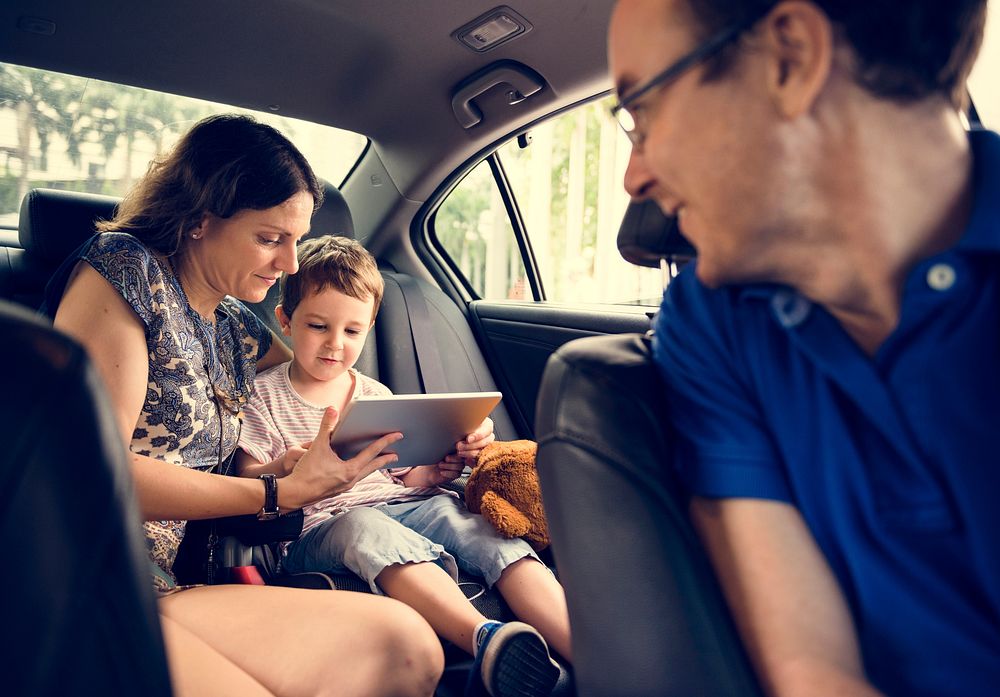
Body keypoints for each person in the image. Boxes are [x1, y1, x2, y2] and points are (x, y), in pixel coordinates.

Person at [608, 1, 999, 696]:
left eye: (641, 115)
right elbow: (812, 673)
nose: (632, 178)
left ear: (789, 57)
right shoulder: (711, 322)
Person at [50, 114, 443, 697]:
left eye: (297, 241)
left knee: (409, 649)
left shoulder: (237, 326)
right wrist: (275, 493)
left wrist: (435, 436)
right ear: (200, 220)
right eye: (269, 238)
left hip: (164, 581)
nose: (290, 265)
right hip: (78, 569)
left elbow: (324, 381)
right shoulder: (125, 271)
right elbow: (95, 472)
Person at [235, 235, 571, 697]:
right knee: (366, 525)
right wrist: (284, 468)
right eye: (318, 326)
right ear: (285, 322)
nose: (335, 344)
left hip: (402, 504)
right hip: (319, 526)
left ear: (369, 328)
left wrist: (438, 471)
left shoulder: (375, 395)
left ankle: (584, 650)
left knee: (473, 524)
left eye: (352, 332)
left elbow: (403, 477)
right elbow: (247, 481)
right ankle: (485, 639)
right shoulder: (262, 395)